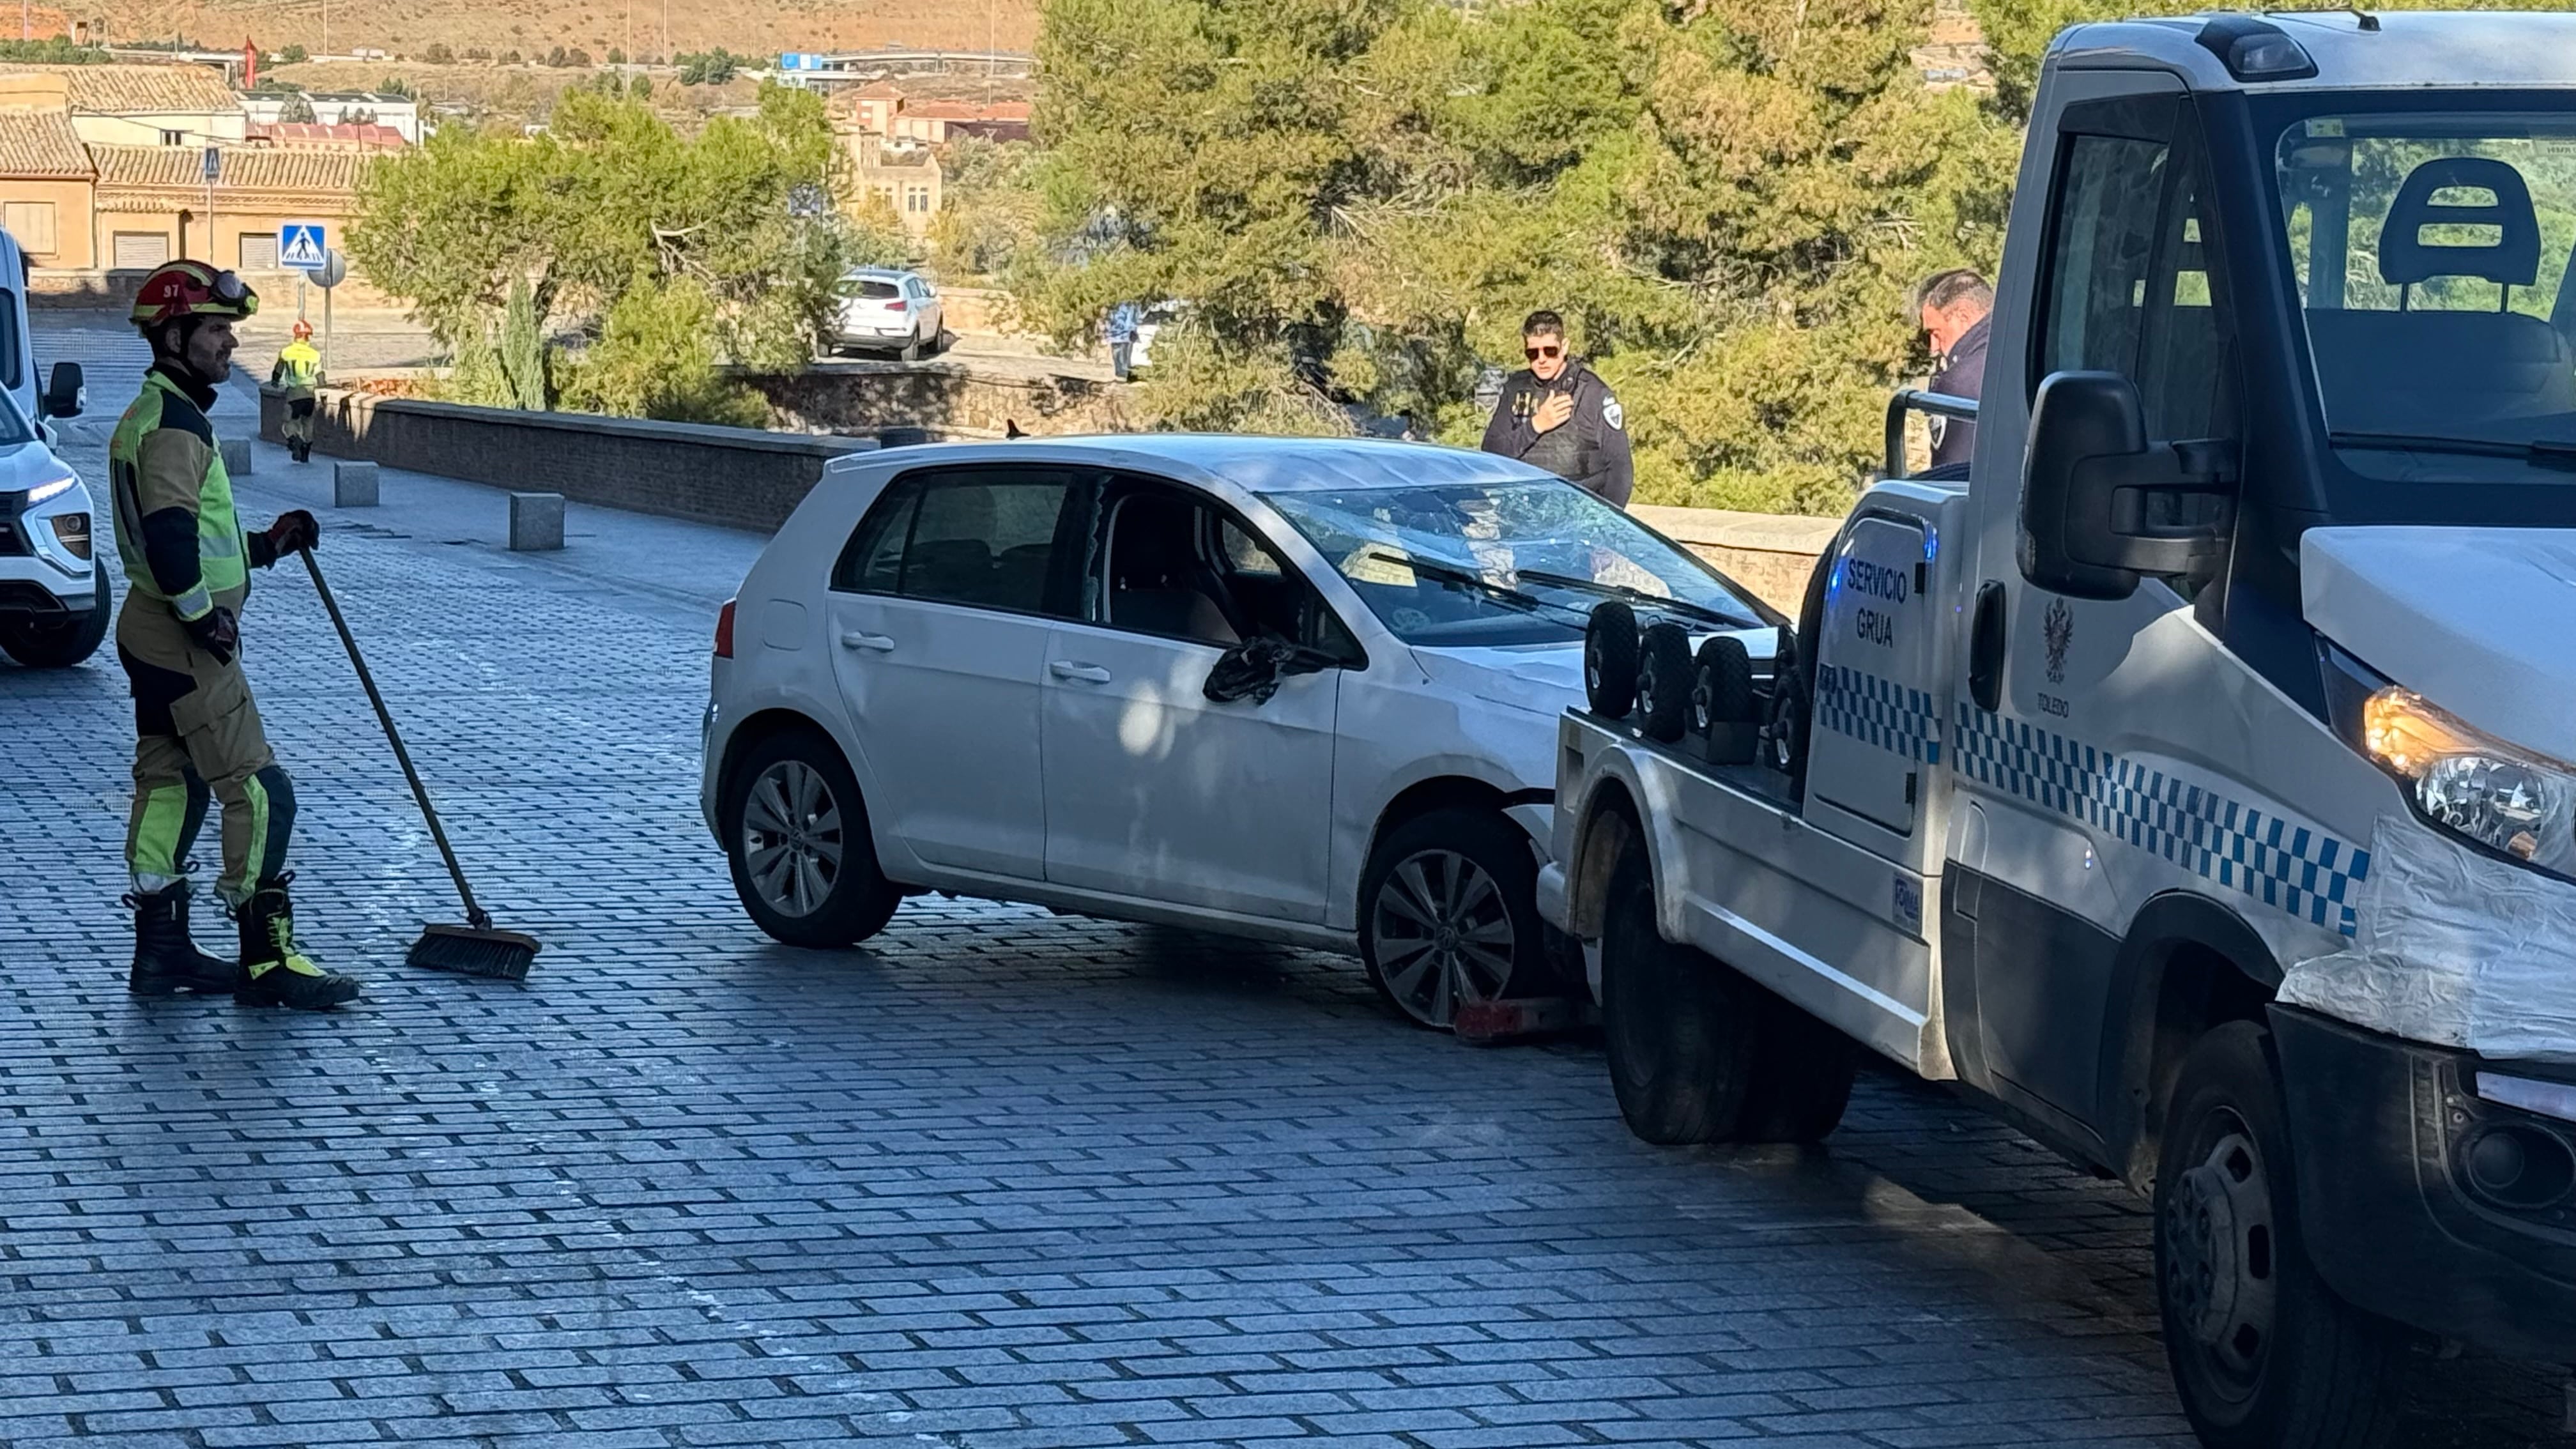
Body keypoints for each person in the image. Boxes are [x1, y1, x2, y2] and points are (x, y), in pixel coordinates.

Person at [112, 261, 362, 1011]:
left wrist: (269, 544)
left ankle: (160, 955)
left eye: (229, 330)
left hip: (150, 635)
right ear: (176, 335)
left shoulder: (157, 416)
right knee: (261, 792)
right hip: (184, 642)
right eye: (218, 330)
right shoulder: (175, 427)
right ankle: (267, 960)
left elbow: (200, 538)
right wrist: (202, 616)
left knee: (170, 788)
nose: (229, 343)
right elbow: (168, 539)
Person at [1479, 310, 1634, 508]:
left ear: (1564, 346)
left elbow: (1620, 467)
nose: (1542, 359)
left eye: (1550, 351)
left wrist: (1608, 520)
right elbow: (1491, 451)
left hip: (1579, 513)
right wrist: (1536, 425)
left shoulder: (1593, 393)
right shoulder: (1516, 388)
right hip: (1522, 513)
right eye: (1533, 353)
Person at [1917, 268, 1994, 471]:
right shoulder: (2021, 352)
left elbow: (1950, 476)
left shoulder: (1959, 382)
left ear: (1963, 317)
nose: (1933, 348)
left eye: (1935, 333)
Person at [270, 318, 322, 463]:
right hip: (310, 395)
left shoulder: (286, 352)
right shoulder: (315, 354)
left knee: (289, 422)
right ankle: (306, 452)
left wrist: (275, 381)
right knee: (308, 423)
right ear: (308, 337)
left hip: (294, 394)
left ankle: (295, 440)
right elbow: (320, 375)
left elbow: (278, 370)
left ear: (295, 335)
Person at [1106, 301, 1140, 382]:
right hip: (1118, 330)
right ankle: (1122, 373)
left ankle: (1124, 373)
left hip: (1124, 331)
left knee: (1124, 351)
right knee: (1120, 351)